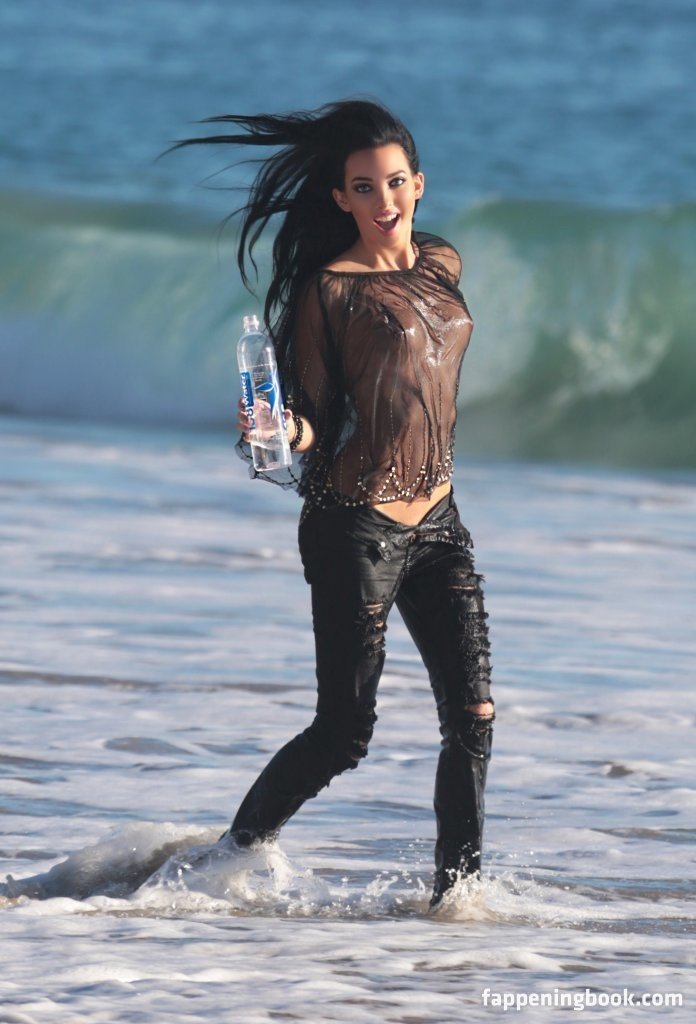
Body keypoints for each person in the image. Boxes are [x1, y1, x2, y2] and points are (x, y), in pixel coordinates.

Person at [168, 99, 495, 908]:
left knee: (475, 715)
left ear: (419, 184)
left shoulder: (442, 262)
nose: (385, 201)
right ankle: (232, 855)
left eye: (396, 182)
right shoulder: (330, 291)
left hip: (440, 522)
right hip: (357, 527)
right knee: (345, 733)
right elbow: (313, 415)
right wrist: (281, 428)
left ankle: (457, 900)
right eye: (365, 187)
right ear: (341, 198)